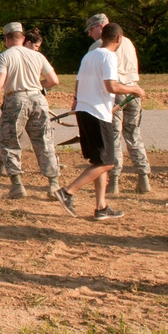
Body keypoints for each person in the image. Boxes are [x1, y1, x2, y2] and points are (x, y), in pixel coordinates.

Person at [56, 22, 146, 220]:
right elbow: (111, 86)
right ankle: (68, 192)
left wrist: (78, 101)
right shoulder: (109, 56)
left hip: (85, 110)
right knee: (108, 163)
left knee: (100, 161)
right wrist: (134, 89)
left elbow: (78, 82)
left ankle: (101, 206)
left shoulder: (90, 55)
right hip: (97, 113)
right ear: (119, 39)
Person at [0, 22, 61, 200]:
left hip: (16, 100)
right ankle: (54, 185)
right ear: (23, 38)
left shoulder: (3, 57)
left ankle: (17, 186)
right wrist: (40, 89)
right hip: (39, 100)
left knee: (9, 141)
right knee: (44, 141)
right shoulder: (37, 56)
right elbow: (53, 80)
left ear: (6, 39)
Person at [85, 13, 151, 194]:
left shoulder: (98, 47)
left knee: (112, 137)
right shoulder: (128, 42)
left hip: (117, 93)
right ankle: (143, 177)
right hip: (134, 91)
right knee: (133, 134)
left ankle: (113, 182)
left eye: (91, 29)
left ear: (101, 26)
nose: (90, 34)